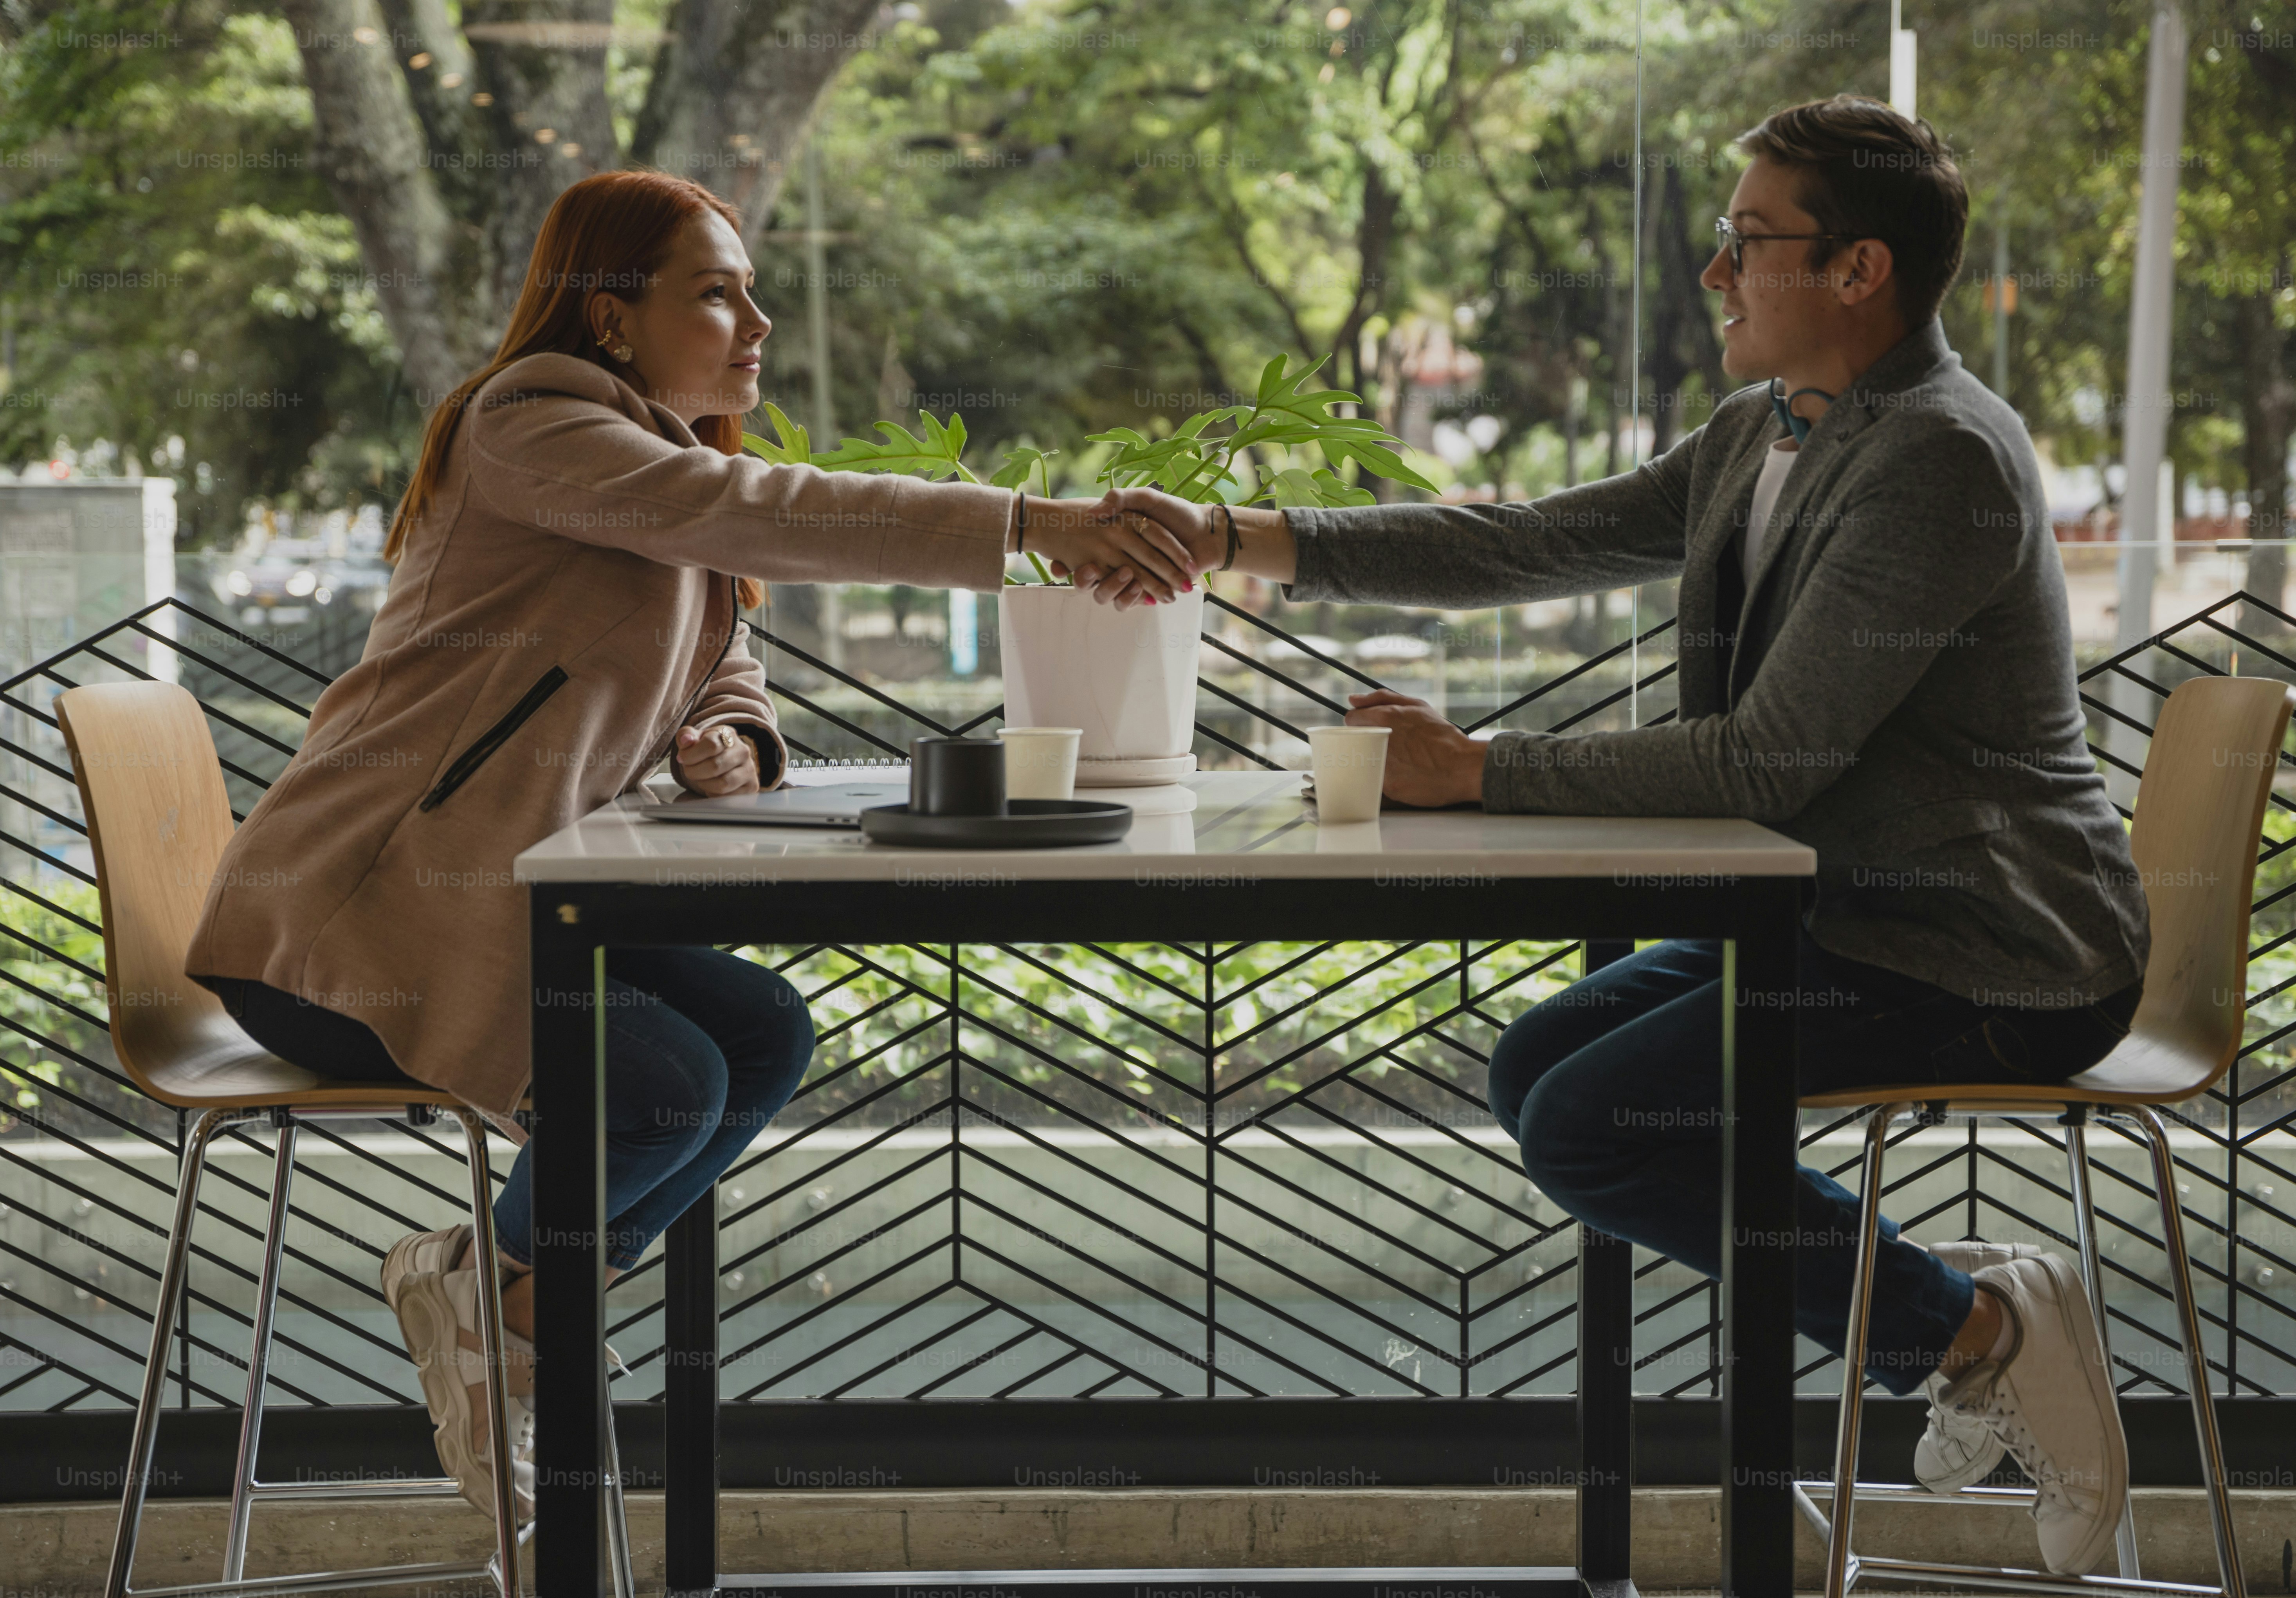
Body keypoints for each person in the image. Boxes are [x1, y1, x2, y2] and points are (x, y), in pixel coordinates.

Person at [1100, 97, 2146, 1576]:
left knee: (1598, 1123)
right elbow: (1530, 538)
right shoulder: (1761, 430)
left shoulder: (1939, 457)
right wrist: (1236, 540)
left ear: (1857, 270)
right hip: (1834, 917)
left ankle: (1978, 1329)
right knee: (1538, 1071)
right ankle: (1956, 1306)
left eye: (1745, 241)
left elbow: (1767, 761)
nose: (1714, 273)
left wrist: (1476, 774)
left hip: (1991, 946)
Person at [184, 169, 1197, 1521]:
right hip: (352, 924)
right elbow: (766, 511)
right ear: (607, 314)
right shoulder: (532, 423)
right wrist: (1037, 526)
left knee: (764, 1034)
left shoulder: (656, 459)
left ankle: (497, 1302)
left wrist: (738, 743)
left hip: (519, 906)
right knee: (659, 1076)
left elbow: (722, 656)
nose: (755, 322)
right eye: (715, 292)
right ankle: (509, 1325)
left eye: (751, 288)